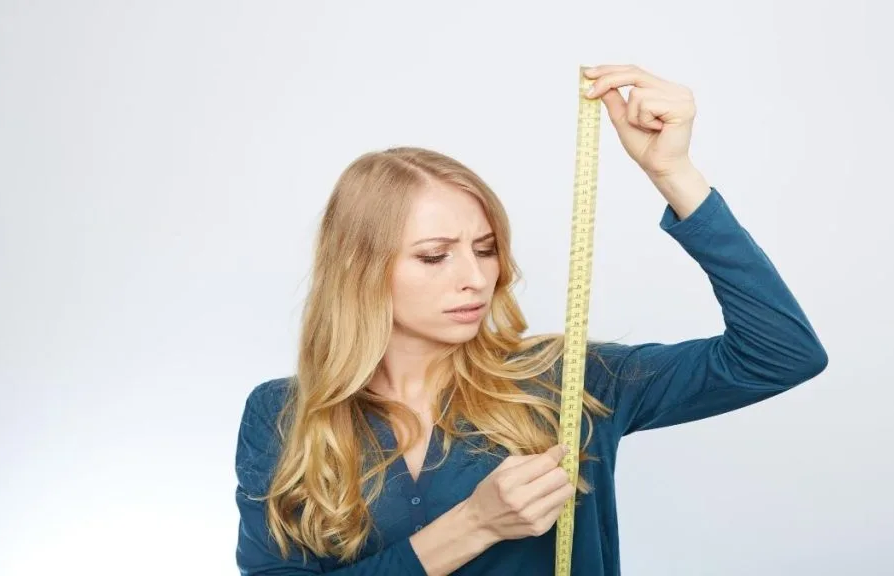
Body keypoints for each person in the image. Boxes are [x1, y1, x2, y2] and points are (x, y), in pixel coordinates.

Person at [233, 63, 828, 575]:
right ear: (359, 269)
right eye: (435, 256)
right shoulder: (283, 416)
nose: (476, 276)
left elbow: (780, 353)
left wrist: (674, 175)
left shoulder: (567, 382)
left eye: (486, 248)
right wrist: (473, 524)